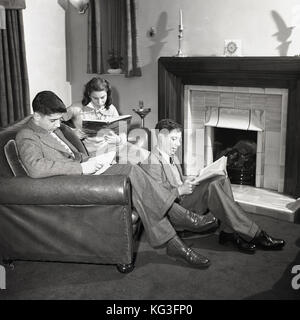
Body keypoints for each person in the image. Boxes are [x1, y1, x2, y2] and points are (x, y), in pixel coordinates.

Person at [16, 91, 219, 269]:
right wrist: (81, 167)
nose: (58, 124)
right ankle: (180, 216)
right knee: (132, 172)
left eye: (60, 119)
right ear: (36, 116)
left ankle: (175, 244)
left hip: (89, 168)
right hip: (74, 182)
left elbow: (75, 153)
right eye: (53, 120)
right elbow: (36, 168)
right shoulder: (27, 136)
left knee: (134, 172)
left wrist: (96, 160)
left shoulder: (54, 128)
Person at [139, 119, 285, 254]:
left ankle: (228, 232)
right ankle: (254, 234)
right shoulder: (151, 162)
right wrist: (179, 190)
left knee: (220, 178)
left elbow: (176, 180)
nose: (178, 144)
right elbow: (155, 200)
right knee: (212, 186)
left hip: (185, 199)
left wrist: (193, 180)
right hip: (176, 211)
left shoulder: (171, 157)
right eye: (173, 139)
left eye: (179, 139)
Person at [63, 77, 124, 156]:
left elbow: (122, 131)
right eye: (95, 98)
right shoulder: (76, 108)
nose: (100, 102)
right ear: (89, 95)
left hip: (109, 150)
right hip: (87, 152)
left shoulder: (111, 108)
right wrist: (72, 132)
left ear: (107, 94)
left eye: (103, 97)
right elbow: (56, 122)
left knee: (140, 155)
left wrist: (118, 139)